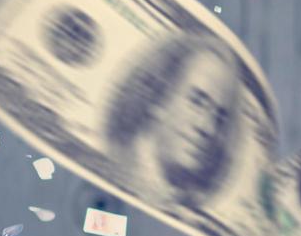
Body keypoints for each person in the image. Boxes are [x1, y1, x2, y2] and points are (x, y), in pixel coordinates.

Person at [104, 35, 242, 208]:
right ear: (159, 97)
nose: (208, 128)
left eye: (219, 117)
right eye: (197, 102)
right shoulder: (103, 171)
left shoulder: (187, 209)